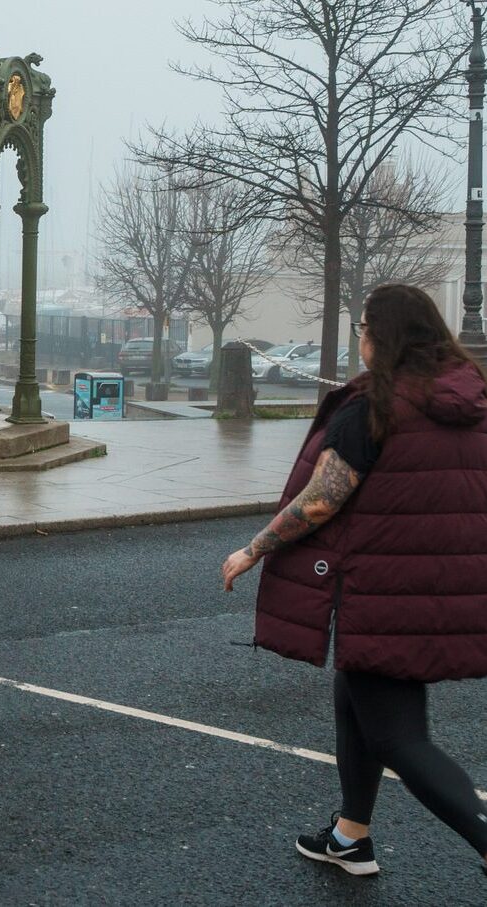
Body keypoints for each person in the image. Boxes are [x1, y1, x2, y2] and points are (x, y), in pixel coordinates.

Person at [221, 283, 487, 880]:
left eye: (364, 326)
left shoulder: (376, 407)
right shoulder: (473, 400)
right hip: (445, 590)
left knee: (400, 737)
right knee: (357, 697)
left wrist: (254, 548)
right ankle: (350, 837)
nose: (359, 337)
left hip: (383, 591)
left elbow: (322, 500)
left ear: (384, 337)